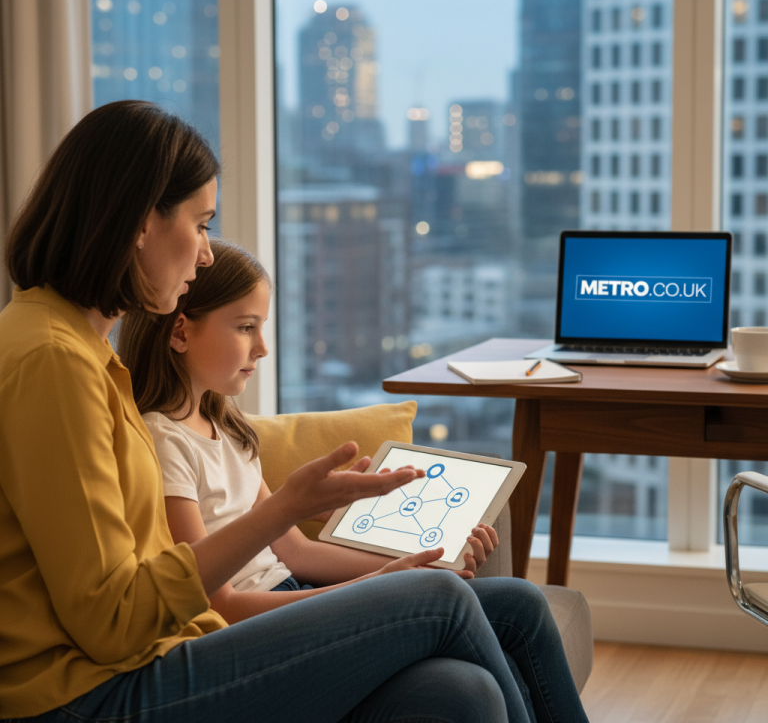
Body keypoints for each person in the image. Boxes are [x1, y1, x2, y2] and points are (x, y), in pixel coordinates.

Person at [0, 100, 588, 723]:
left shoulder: (82, 352)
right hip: (91, 694)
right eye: (201, 224)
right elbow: (112, 622)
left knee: (458, 692)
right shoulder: (53, 362)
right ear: (142, 220)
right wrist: (288, 507)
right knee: (439, 597)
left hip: (152, 655)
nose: (204, 255)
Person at [119, 236, 590, 723]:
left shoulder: (229, 427)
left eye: (262, 327)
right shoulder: (162, 441)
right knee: (462, 662)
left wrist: (408, 568)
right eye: (244, 328)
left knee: (522, 603)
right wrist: (374, 589)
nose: (261, 347)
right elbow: (218, 604)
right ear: (180, 333)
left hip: (292, 588)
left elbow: (296, 552)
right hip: (251, 626)